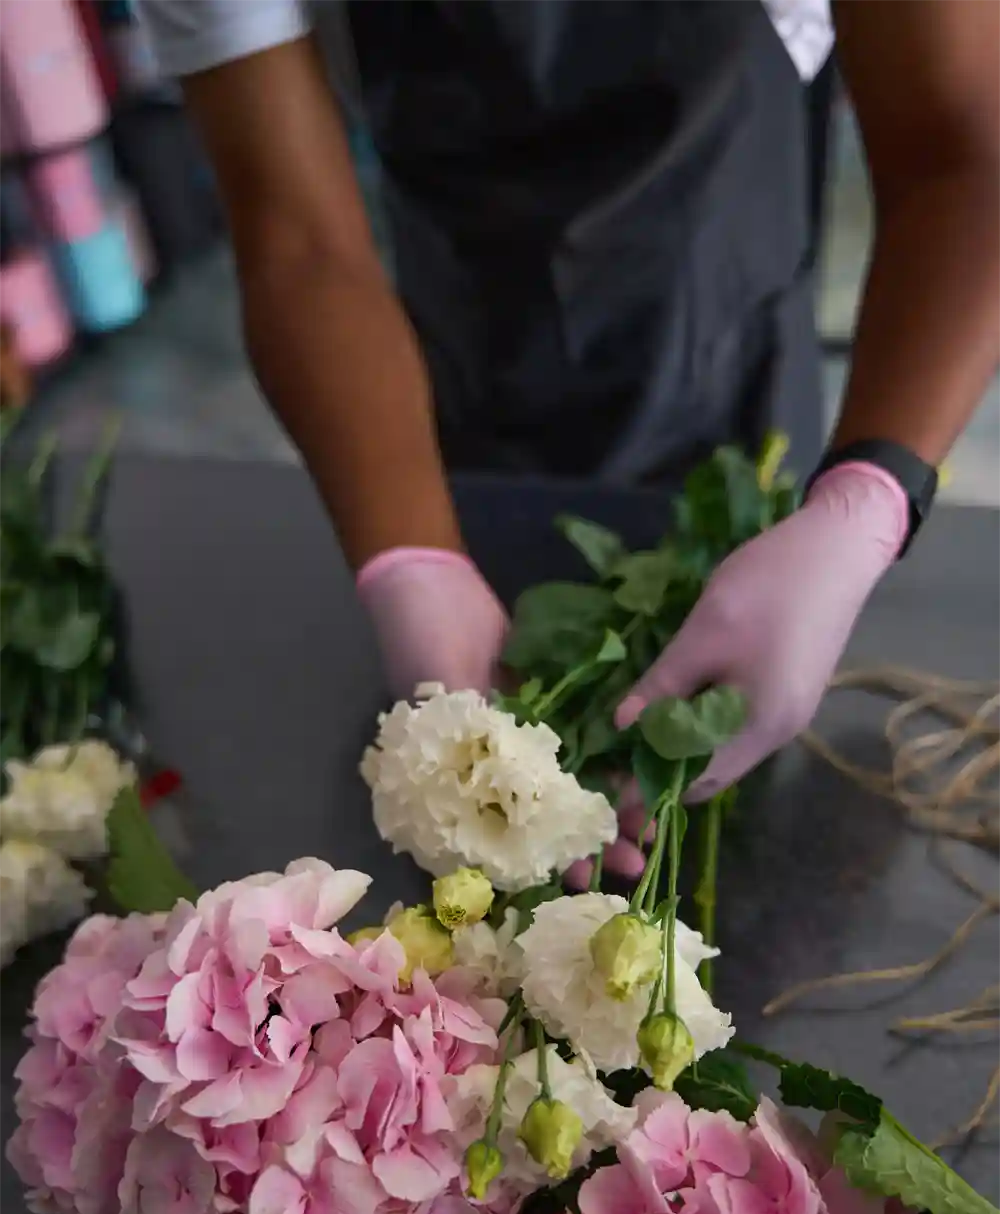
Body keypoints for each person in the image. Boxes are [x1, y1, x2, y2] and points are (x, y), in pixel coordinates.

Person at [138, 0, 1000, 875]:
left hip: (730, 331)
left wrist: (864, 503)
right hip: (444, 372)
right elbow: (299, 239)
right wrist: (411, 559)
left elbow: (968, 149)